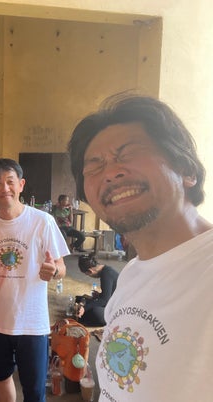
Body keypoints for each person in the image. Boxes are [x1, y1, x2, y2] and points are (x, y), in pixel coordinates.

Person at [68, 94, 213, 401]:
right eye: (94, 166)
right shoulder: (133, 273)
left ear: (187, 170)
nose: (111, 172)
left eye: (129, 153)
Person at [0, 158, 69, 402]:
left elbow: (61, 267)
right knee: (2, 376)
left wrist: (53, 271)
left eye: (10, 181)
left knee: (34, 389)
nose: (4, 188)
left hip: (32, 322)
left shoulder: (42, 221)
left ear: (21, 184)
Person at [75, 253, 119, 327]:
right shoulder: (106, 270)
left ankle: (83, 315)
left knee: (95, 312)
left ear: (90, 271)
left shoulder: (106, 274)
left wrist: (85, 308)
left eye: (87, 274)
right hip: (112, 302)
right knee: (79, 299)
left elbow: (105, 301)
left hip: (117, 309)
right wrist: (100, 295)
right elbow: (109, 295)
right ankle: (83, 314)